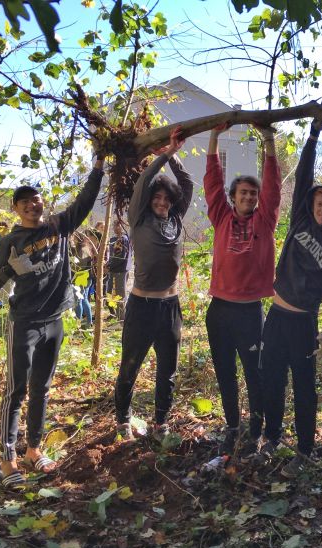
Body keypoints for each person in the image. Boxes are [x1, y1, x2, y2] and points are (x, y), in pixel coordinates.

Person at [0, 152, 106, 490]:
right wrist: (9, 269)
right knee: (16, 390)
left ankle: (34, 449)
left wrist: (98, 165)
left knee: (42, 389)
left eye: (35, 199)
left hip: (54, 321)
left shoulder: (59, 227)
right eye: (24, 202)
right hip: (25, 323)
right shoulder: (10, 242)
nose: (32, 205)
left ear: (42, 201)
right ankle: (7, 460)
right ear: (16, 210)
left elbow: (85, 201)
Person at [259, 113, 322, 478]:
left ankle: (305, 449)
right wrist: (313, 135)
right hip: (276, 317)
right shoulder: (299, 220)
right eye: (319, 203)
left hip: (304, 323)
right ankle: (271, 437)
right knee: (272, 379)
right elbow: (303, 180)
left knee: (304, 388)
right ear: (312, 205)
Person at [204, 123, 281, 457]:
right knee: (225, 372)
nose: (248, 197)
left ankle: (256, 429)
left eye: (253, 193)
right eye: (243, 193)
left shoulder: (264, 221)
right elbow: (210, 183)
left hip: (250, 312)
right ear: (233, 197)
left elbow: (274, 188)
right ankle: (232, 425)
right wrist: (213, 137)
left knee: (255, 373)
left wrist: (268, 141)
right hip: (219, 310)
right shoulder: (221, 216)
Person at [114, 127, 192, 442]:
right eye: (157, 198)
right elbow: (145, 181)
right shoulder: (139, 219)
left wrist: (173, 156)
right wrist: (165, 156)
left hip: (170, 307)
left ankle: (161, 423)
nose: (161, 201)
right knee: (130, 367)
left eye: (165, 198)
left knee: (167, 372)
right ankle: (123, 421)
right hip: (141, 306)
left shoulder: (176, 219)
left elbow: (186, 184)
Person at [106, 220, 132, 321]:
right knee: (110, 293)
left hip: (120, 270)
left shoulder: (123, 239)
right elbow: (112, 256)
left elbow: (121, 257)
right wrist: (107, 264)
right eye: (114, 225)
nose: (116, 227)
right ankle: (114, 314)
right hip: (113, 270)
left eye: (118, 225)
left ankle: (121, 319)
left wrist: (108, 266)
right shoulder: (113, 239)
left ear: (123, 226)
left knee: (119, 294)